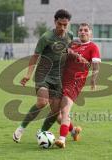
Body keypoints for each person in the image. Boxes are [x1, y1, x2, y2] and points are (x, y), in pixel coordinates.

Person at [12, 9, 74, 143]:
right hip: (43, 75)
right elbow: (35, 57)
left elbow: (69, 54)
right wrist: (28, 75)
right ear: (55, 22)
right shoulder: (46, 37)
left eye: (65, 25)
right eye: (60, 24)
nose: (62, 28)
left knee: (56, 111)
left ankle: (42, 132)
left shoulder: (70, 36)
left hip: (58, 78)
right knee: (42, 102)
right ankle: (21, 128)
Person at [54, 23, 101, 148]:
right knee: (56, 115)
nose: (83, 32)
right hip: (61, 79)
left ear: (90, 33)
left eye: (86, 30)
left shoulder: (92, 47)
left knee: (65, 109)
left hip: (76, 81)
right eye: (81, 30)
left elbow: (96, 66)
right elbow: (59, 53)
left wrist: (93, 80)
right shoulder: (72, 44)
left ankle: (62, 139)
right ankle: (74, 131)